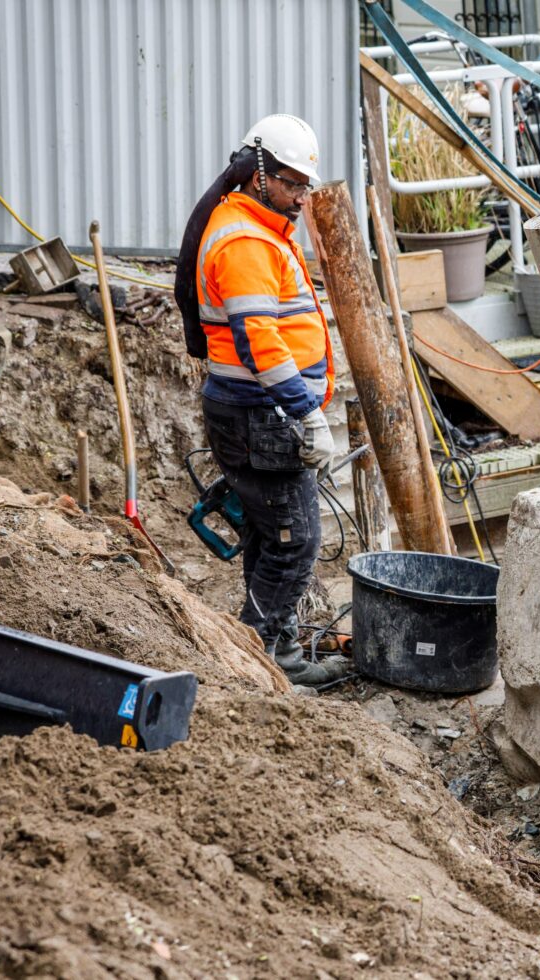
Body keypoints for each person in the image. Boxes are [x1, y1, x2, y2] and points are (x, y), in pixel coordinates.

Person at [174, 114, 340, 684]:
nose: (299, 197)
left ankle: (278, 650)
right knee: (298, 541)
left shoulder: (258, 227)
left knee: (273, 536)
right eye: (291, 183)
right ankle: (261, 657)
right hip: (259, 415)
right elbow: (258, 337)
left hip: (255, 412)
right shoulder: (243, 239)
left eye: (305, 186)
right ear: (259, 173)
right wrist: (306, 411)